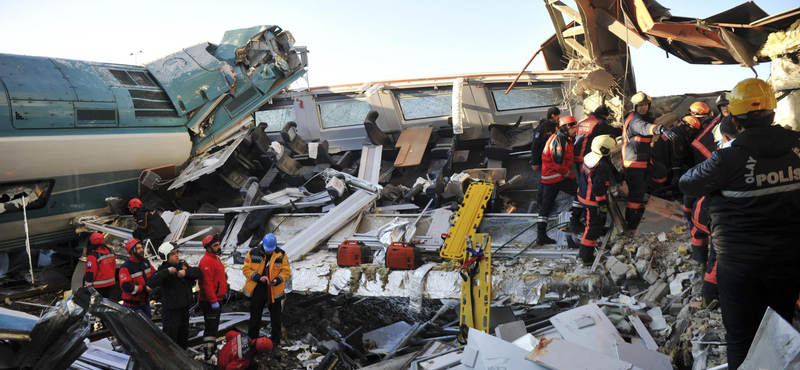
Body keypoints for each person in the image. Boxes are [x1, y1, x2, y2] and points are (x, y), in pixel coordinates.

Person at [679, 78, 800, 369]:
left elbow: (687, 183)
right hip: (789, 260)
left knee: (741, 341)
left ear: (734, 119)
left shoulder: (726, 158)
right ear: (773, 113)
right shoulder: (797, 147)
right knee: (780, 328)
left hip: (740, 267)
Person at [621, 92, 670, 231]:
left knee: (660, 171)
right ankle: (632, 222)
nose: (643, 108)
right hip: (634, 162)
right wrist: (660, 129)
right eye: (640, 105)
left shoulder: (642, 117)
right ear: (635, 106)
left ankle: (653, 196)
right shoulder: (635, 119)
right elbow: (643, 128)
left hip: (643, 160)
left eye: (645, 105)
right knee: (636, 193)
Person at [535, 115, 582, 245]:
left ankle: (541, 235)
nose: (576, 130)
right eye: (574, 128)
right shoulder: (559, 141)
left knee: (545, 207)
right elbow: (558, 164)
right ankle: (575, 222)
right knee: (581, 193)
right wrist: (571, 176)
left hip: (549, 178)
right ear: (567, 127)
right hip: (557, 177)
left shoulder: (563, 138)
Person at [243, 234, 291, 359]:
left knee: (276, 319)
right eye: (268, 249)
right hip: (258, 289)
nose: (270, 251)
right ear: (263, 245)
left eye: (271, 249)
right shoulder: (253, 253)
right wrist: (259, 277)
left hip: (274, 291)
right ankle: (252, 343)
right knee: (255, 318)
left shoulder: (281, 254)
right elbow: (246, 269)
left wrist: (277, 280)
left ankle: (275, 344)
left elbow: (286, 271)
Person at [147, 242, 201, 349]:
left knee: (183, 339)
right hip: (171, 313)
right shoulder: (163, 270)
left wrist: (186, 273)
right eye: (173, 254)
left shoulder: (182, 265)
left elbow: (198, 272)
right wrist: (167, 272)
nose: (177, 255)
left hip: (184, 310)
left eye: (177, 252)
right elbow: (151, 282)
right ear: (166, 256)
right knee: (171, 340)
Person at [576, 135, 617, 265]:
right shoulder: (601, 166)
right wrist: (602, 204)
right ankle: (585, 257)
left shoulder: (590, 157)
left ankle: (587, 252)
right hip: (592, 200)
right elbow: (599, 187)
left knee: (594, 225)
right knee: (592, 228)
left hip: (583, 195)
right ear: (604, 150)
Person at [199, 234, 228, 361]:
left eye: (218, 244)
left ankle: (213, 349)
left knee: (214, 326)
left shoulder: (215, 259)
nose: (218, 247)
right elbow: (207, 284)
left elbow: (219, 278)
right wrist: (213, 300)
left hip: (217, 298)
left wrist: (224, 291)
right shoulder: (206, 262)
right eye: (215, 245)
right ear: (208, 248)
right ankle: (209, 353)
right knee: (210, 328)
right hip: (210, 301)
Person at [530, 107, 561, 211]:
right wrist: (535, 163)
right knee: (544, 181)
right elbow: (534, 146)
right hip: (543, 159)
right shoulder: (542, 128)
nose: (559, 117)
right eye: (557, 115)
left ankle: (549, 199)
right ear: (552, 116)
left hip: (553, 158)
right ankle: (540, 202)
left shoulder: (557, 125)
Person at [119, 238, 155, 318]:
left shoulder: (145, 262)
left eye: (141, 247)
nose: (142, 250)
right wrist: (144, 288)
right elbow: (126, 287)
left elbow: (154, 274)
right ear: (132, 251)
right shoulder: (126, 267)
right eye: (138, 248)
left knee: (147, 328)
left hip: (145, 303)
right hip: (132, 307)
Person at [691, 93, 731, 165]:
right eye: (723, 105)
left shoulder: (740, 121)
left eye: (728, 104)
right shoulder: (715, 123)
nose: (726, 108)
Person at [84, 232, 116, 298]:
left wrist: (87, 285)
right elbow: (113, 267)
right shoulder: (110, 252)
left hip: (98, 285)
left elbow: (90, 272)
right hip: (110, 283)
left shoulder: (93, 255)